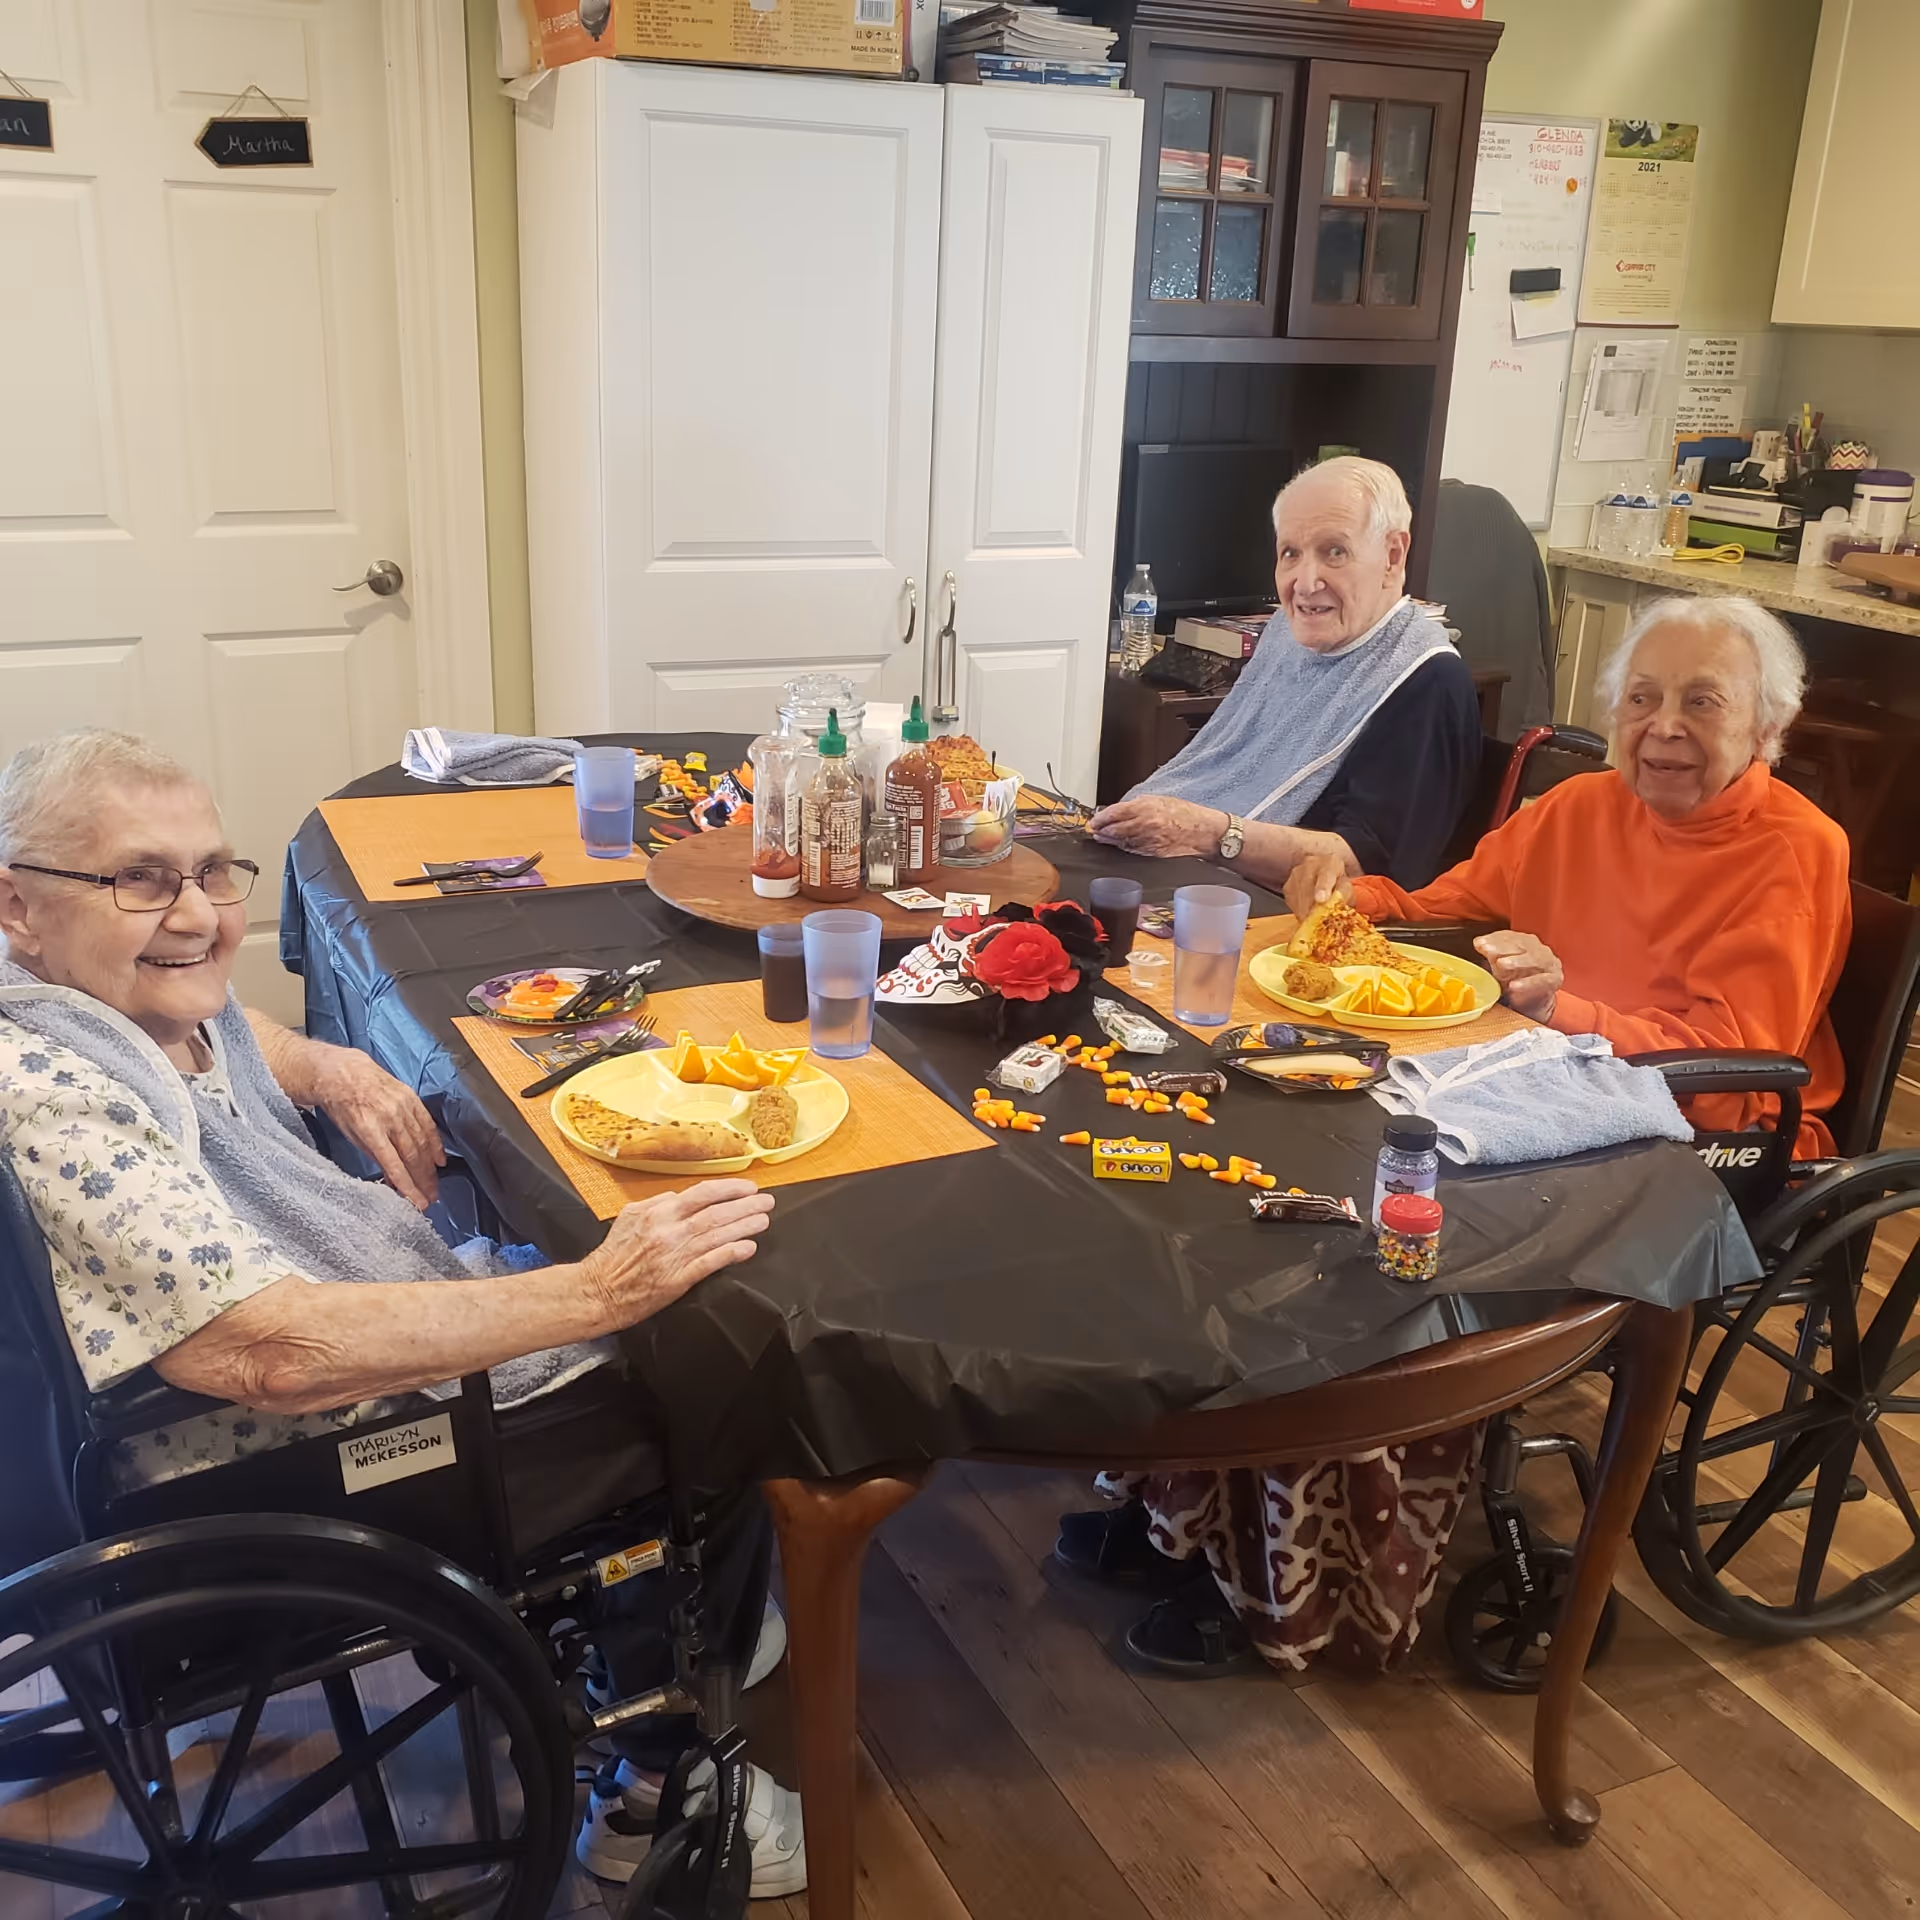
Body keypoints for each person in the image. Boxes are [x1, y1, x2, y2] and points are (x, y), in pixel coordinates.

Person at [0, 729, 803, 1898]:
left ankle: (679, 1618)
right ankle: (652, 1772)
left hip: (168, 1416)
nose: (199, 915)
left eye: (214, 871)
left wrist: (327, 1067)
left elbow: (224, 1019)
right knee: (710, 1350)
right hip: (259, 1458)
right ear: (18, 906)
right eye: (140, 878)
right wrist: (597, 1292)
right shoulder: (55, 1099)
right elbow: (275, 1356)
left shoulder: (90, 1004)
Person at [1059, 594, 1850, 1675]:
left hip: (1682, 1131)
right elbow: (1447, 902)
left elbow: (1733, 1065)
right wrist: (1341, 895)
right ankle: (1191, 1515)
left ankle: (1294, 1582)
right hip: (1522, 1082)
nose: (1662, 727)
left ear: (1767, 729)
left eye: (1702, 704)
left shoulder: (1797, 849)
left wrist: (1561, 1012)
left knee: (1383, 1239)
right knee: (1271, 1178)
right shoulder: (1581, 807)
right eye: (1643, 700)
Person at [1088, 456, 1482, 892]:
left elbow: (1371, 870)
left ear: (1393, 556)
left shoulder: (1427, 681)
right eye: (1290, 553)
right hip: (1207, 878)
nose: (1306, 582)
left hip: (1295, 923)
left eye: (1335, 552)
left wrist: (1210, 833)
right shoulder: (1284, 638)